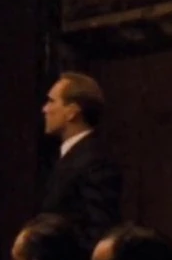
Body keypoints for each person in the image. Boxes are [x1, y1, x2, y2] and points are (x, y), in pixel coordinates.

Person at [38, 72, 123, 250]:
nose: (45, 109)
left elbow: (99, 231)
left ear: (72, 112)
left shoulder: (96, 161)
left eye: (52, 101)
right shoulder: (69, 156)